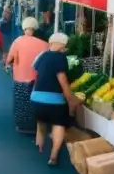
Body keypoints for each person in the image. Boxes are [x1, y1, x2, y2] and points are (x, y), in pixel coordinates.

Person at [31, 32, 80, 165]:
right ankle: (53, 155)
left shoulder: (42, 55)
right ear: (61, 45)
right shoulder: (60, 58)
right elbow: (63, 81)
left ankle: (40, 145)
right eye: (65, 45)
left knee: (41, 121)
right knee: (58, 124)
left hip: (35, 98)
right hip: (54, 101)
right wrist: (71, 99)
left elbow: (37, 75)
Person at [5, 16, 47, 134]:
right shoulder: (44, 44)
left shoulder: (18, 41)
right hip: (37, 78)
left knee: (20, 102)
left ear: (24, 28)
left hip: (20, 77)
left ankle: (22, 125)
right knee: (34, 102)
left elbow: (9, 59)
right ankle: (35, 126)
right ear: (35, 28)